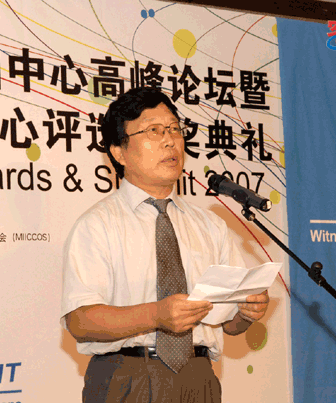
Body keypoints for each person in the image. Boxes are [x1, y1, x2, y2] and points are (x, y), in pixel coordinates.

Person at [60, 87, 269, 402]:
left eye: (174, 129)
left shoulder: (210, 225)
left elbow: (230, 325)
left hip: (199, 377)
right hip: (127, 377)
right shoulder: (97, 224)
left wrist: (247, 312)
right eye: (154, 131)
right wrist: (155, 315)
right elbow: (80, 320)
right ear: (119, 152)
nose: (170, 141)